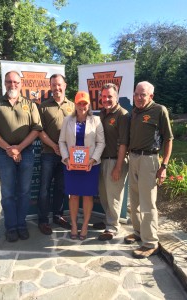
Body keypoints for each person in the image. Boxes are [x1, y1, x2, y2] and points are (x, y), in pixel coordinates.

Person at [0, 71, 43, 242]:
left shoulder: (30, 104)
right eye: (9, 81)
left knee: (24, 193)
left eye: (16, 82)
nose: (12, 85)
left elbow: (36, 129)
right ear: (5, 83)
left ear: (21, 83)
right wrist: (9, 149)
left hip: (26, 153)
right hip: (4, 154)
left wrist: (19, 148)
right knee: (8, 193)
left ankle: (21, 225)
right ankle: (11, 227)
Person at [124, 81, 173, 259]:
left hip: (149, 160)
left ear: (150, 96)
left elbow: (168, 139)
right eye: (136, 94)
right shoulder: (134, 112)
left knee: (148, 203)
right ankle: (138, 232)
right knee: (135, 200)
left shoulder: (159, 110)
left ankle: (151, 242)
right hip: (134, 158)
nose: (138, 97)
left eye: (142, 94)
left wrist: (164, 166)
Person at [59, 91, 105, 240]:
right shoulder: (67, 120)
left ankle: (84, 225)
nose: (82, 106)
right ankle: (73, 224)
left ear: (89, 104)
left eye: (84, 103)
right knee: (73, 196)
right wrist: (66, 159)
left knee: (87, 195)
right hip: (71, 164)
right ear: (75, 104)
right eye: (79, 103)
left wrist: (93, 159)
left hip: (90, 165)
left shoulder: (96, 120)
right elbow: (62, 141)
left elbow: (101, 142)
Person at [37, 74, 75, 235]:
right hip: (48, 153)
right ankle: (43, 220)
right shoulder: (43, 107)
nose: (56, 88)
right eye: (53, 85)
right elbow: (39, 131)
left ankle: (58, 216)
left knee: (61, 187)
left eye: (59, 85)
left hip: (66, 156)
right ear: (50, 87)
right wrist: (54, 146)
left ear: (65, 85)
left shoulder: (73, 106)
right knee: (44, 188)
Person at [94, 83, 130, 241]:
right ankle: (108, 220)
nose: (106, 99)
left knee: (114, 195)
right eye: (104, 96)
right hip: (101, 160)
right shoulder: (102, 113)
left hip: (115, 160)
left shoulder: (122, 115)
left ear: (116, 97)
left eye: (110, 96)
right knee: (104, 194)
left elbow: (124, 143)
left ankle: (113, 227)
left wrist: (118, 166)